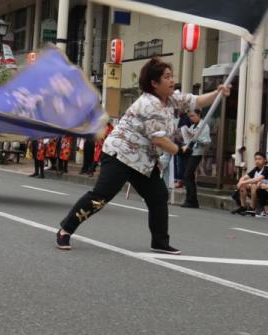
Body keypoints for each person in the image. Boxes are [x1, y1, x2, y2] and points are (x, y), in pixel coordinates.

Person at [56, 57, 230, 253]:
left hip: (143, 161)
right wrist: (180, 150)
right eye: (166, 77)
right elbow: (158, 139)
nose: (172, 80)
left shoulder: (172, 99)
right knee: (101, 197)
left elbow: (196, 101)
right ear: (154, 84)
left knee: (158, 196)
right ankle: (65, 230)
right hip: (120, 156)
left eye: (171, 76)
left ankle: (160, 242)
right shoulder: (148, 104)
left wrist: (218, 93)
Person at [177, 108, 211, 209]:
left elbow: (207, 141)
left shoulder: (204, 126)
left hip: (197, 153)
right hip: (190, 152)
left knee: (187, 175)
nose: (191, 118)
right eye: (190, 117)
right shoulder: (192, 126)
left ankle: (191, 200)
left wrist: (195, 137)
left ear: (199, 115)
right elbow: (189, 140)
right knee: (189, 176)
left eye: (193, 116)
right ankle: (192, 201)